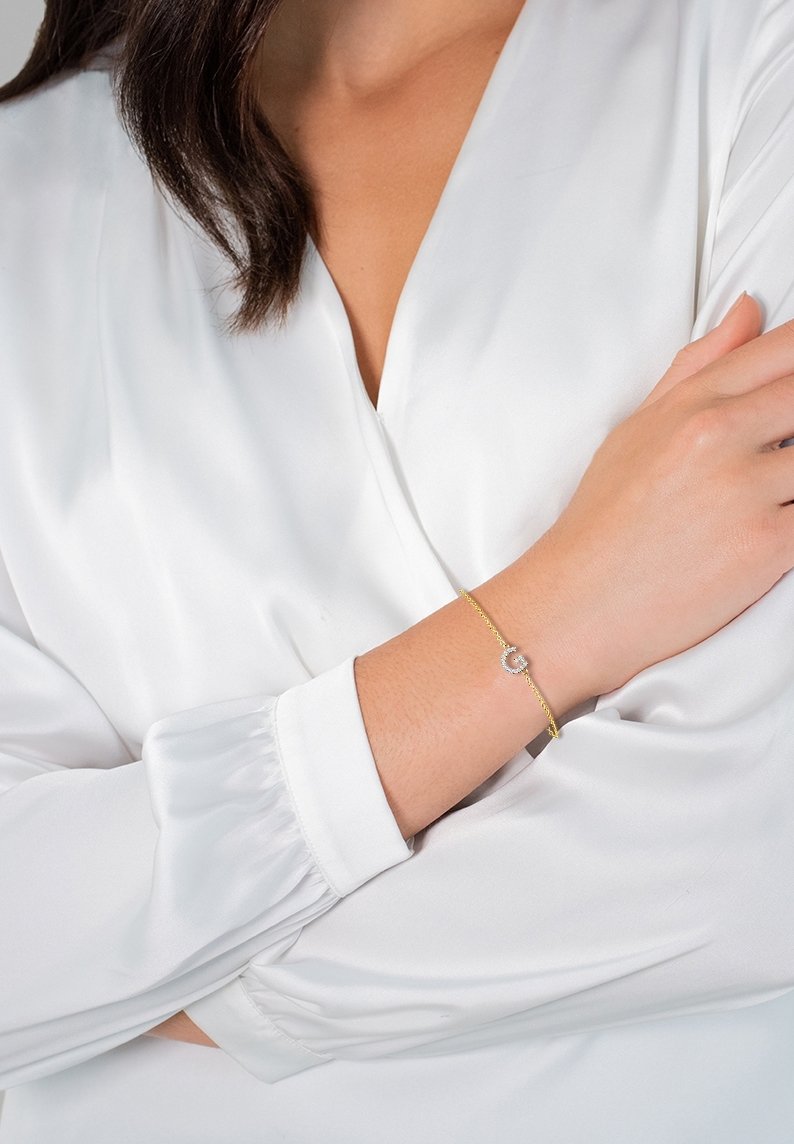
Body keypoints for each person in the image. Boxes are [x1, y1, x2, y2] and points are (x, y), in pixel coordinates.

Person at [1, 0, 794, 1139]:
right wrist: (555, 611)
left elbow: (750, 856)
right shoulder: (29, 186)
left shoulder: (746, 57)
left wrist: (119, 972)